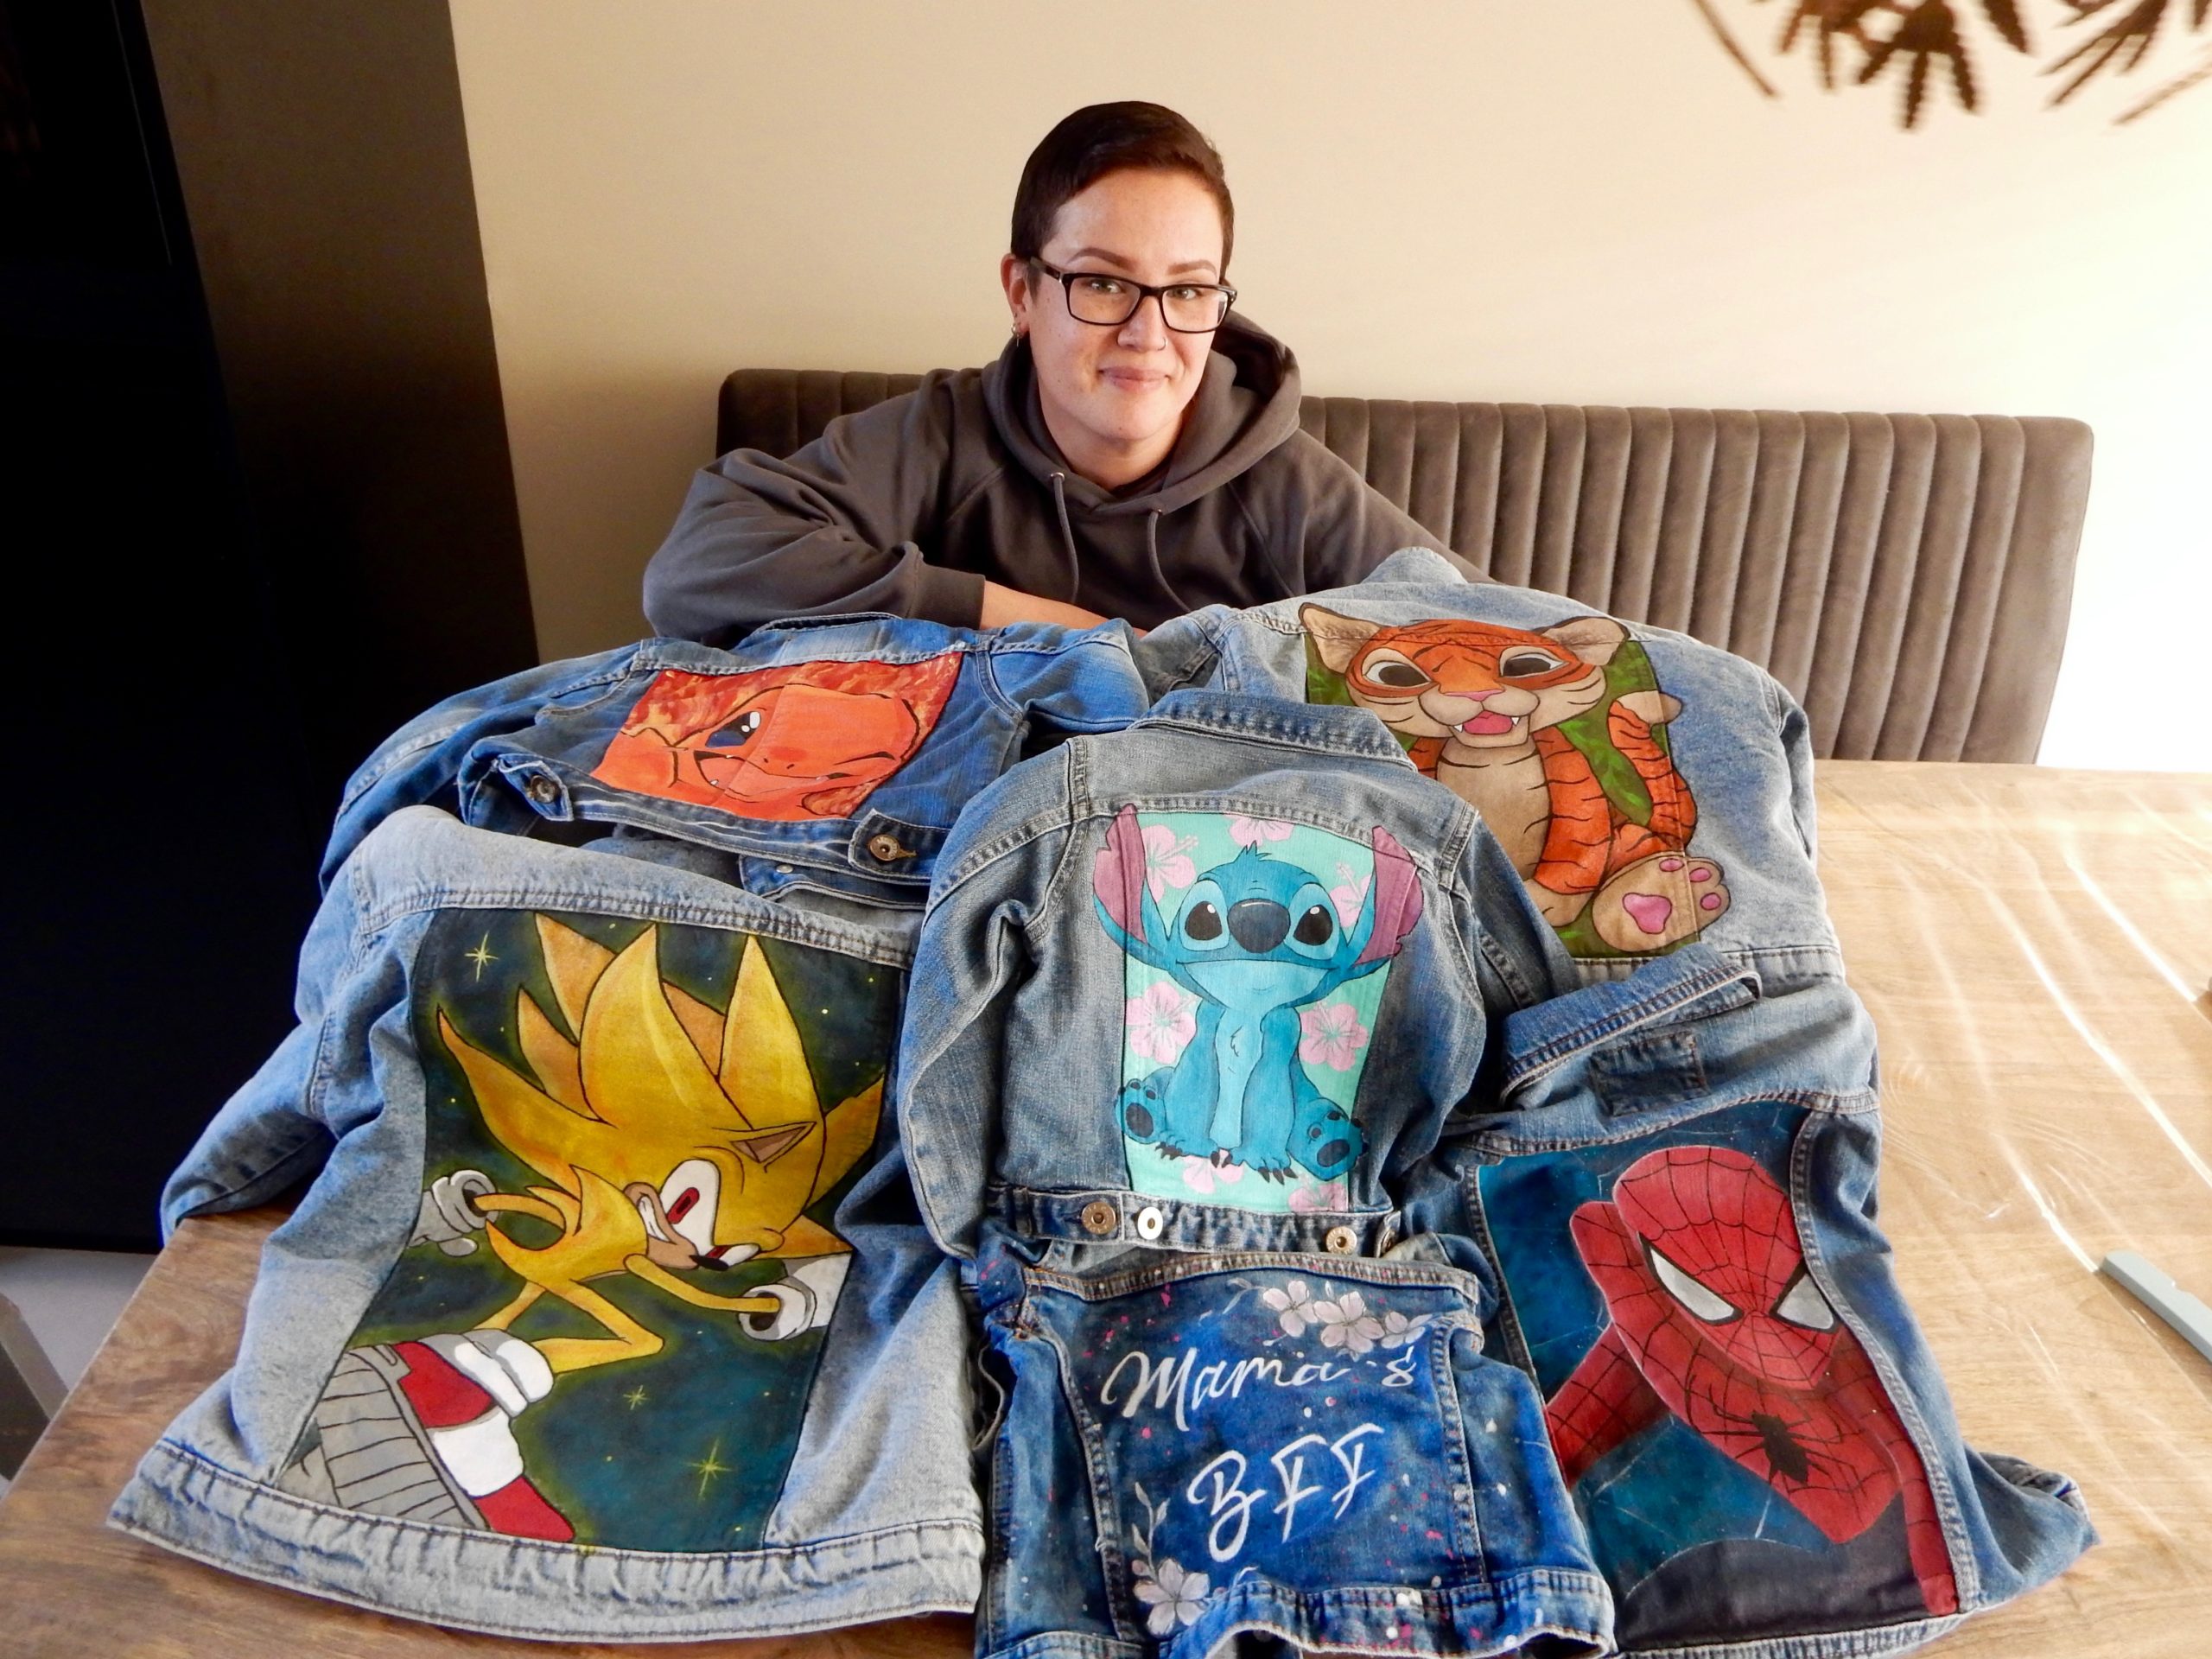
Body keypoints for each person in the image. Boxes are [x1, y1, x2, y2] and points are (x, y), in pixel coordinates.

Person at [643, 101, 1449, 645]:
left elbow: (1492, 637)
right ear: (1021, 294)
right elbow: (695, 572)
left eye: (1187, 290)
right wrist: (1044, 623)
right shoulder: (944, 435)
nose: (1147, 333)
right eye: (1102, 282)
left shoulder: (1286, 485)